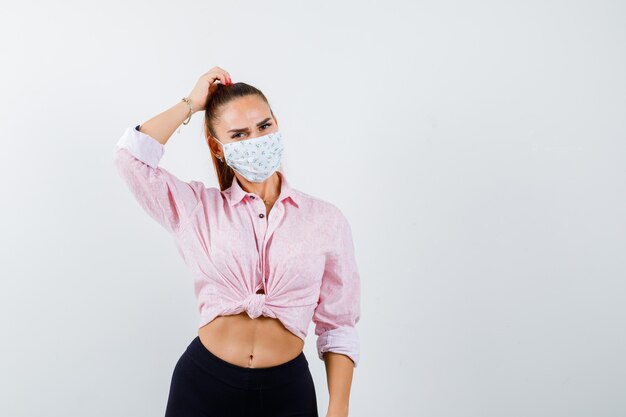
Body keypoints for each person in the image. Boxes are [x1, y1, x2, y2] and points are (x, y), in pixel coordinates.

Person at [113, 66, 361, 417]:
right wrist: (191, 103)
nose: (256, 141)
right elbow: (131, 157)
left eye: (264, 127)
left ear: (277, 123)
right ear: (217, 147)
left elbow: (338, 323)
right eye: (239, 134)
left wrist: (339, 408)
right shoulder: (197, 208)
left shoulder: (325, 220)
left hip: (287, 393)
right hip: (202, 387)